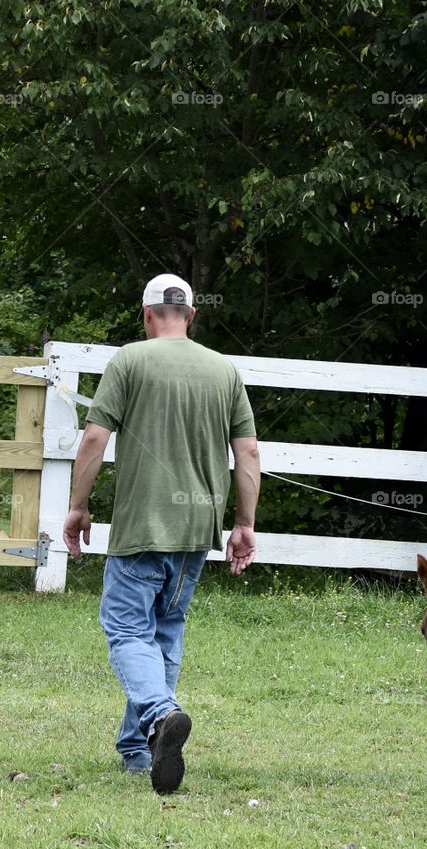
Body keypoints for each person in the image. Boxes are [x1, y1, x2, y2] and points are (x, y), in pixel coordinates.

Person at [62, 273, 260, 794]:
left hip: (141, 525)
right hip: (197, 528)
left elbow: (94, 439)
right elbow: (249, 454)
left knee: (127, 630)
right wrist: (244, 524)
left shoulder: (128, 360)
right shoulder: (225, 370)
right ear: (191, 315)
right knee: (164, 632)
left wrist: (78, 508)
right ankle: (140, 746)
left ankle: (161, 712)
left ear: (147, 314)